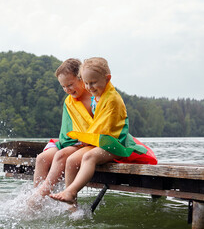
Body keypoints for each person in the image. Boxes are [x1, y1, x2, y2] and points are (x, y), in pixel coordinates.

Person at [49, 57, 156, 207]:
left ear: (107, 78)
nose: (89, 87)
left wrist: (86, 138)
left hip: (116, 144)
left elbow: (104, 127)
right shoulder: (97, 96)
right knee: (71, 160)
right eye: (86, 83)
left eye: (93, 83)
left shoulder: (112, 99)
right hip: (102, 142)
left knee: (89, 157)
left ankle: (71, 192)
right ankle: (72, 207)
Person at [30, 58, 93, 201]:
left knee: (60, 156)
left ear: (81, 78)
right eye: (63, 87)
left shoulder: (93, 98)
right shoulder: (69, 101)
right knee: (41, 158)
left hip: (84, 143)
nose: (67, 90)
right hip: (67, 141)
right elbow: (66, 130)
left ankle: (41, 193)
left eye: (70, 85)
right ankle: (38, 202)